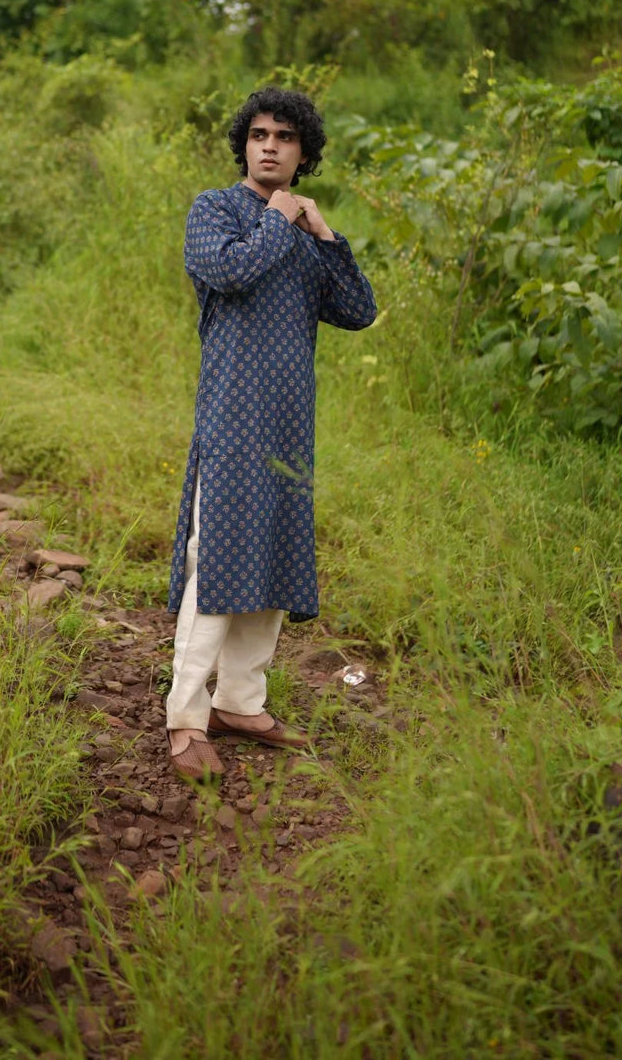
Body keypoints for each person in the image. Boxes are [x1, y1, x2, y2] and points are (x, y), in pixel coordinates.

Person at [164, 86, 377, 779]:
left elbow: (357, 311)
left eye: (285, 137)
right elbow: (227, 271)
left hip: (289, 422)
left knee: (275, 556)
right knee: (217, 556)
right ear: (244, 144)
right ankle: (186, 718)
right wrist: (280, 220)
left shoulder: (303, 232)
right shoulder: (215, 210)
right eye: (259, 134)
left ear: (302, 153)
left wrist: (327, 238)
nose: (269, 145)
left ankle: (241, 702)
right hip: (231, 415)